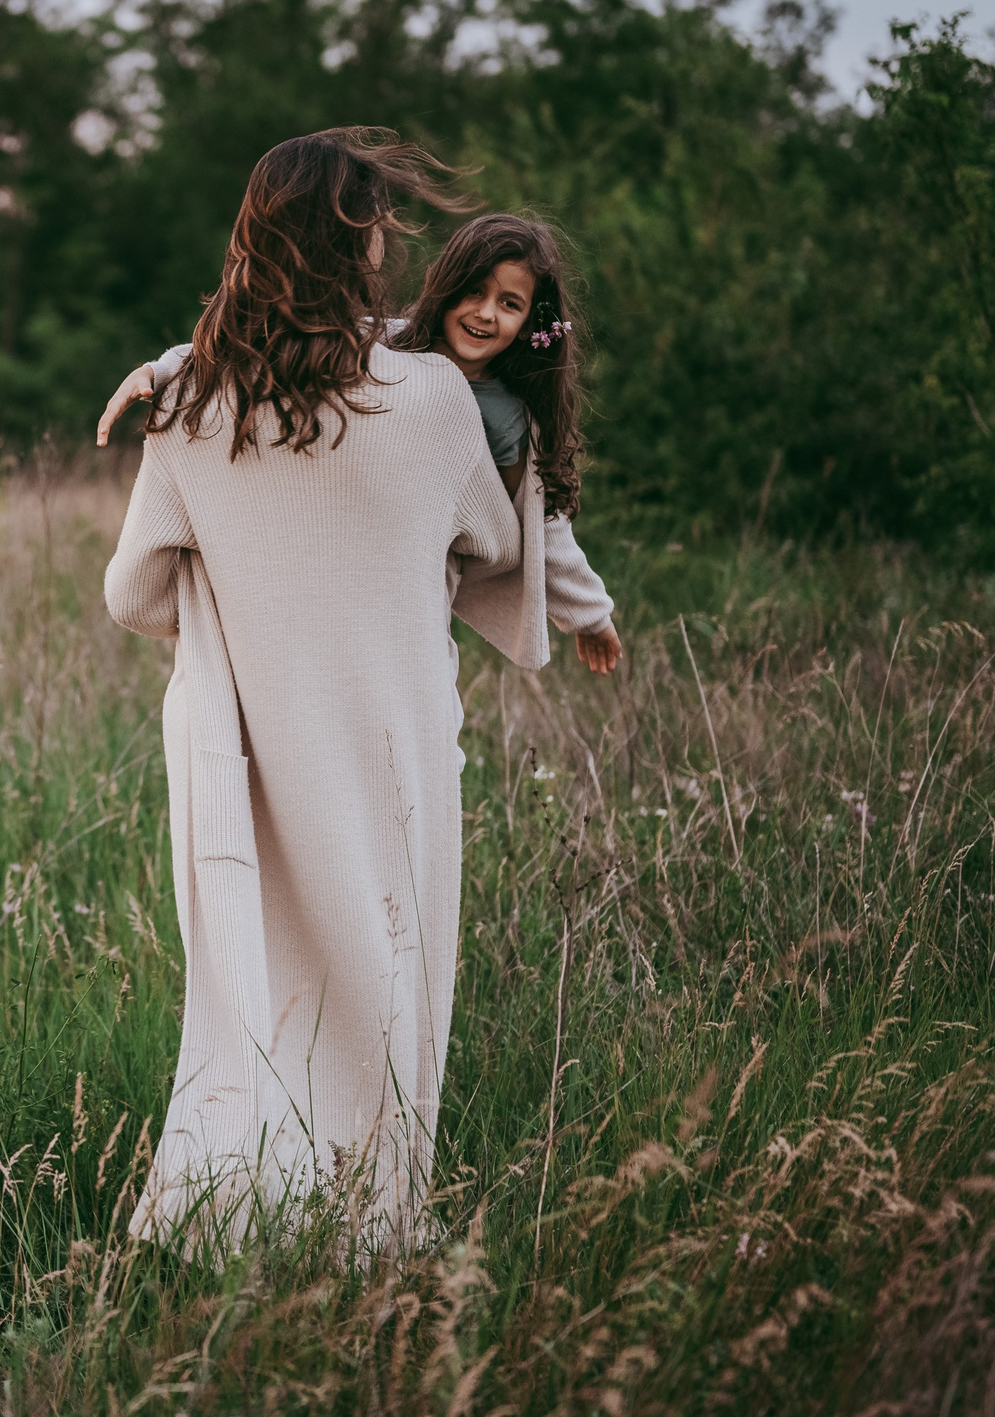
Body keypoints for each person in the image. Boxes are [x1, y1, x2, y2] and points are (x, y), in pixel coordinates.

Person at [102, 127, 519, 1255]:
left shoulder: (191, 406)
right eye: (379, 225)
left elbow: (133, 592)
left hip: (255, 749)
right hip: (394, 738)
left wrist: (236, 584)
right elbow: (489, 538)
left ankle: (246, 1213)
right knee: (391, 974)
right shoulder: (433, 397)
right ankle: (375, 1222)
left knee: (262, 982)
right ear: (358, 245)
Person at [99, 212, 622, 675]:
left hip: (412, 588)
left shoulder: (504, 417)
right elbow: (268, 345)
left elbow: (537, 523)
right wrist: (163, 369)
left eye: (509, 304)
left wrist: (590, 615)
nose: (486, 313)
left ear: (530, 324)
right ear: (446, 287)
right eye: (473, 291)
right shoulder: (386, 343)